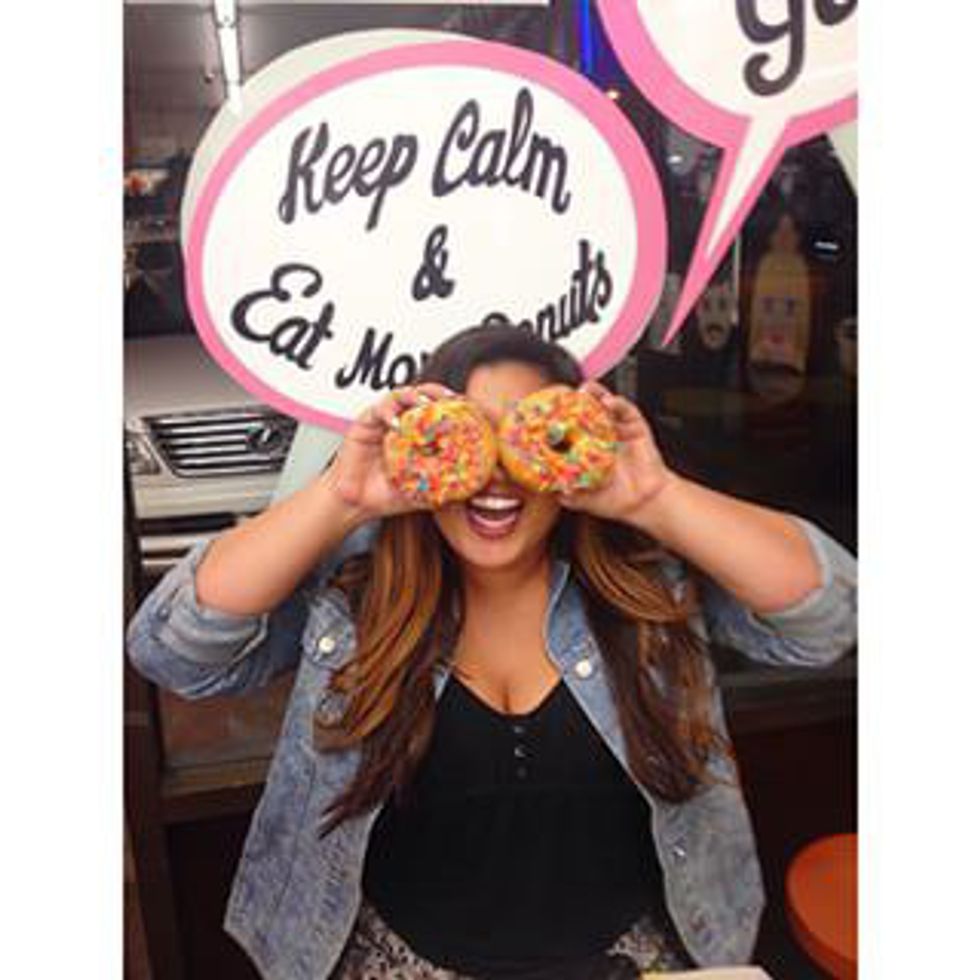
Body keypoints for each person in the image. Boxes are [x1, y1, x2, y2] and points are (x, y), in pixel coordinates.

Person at [127, 324, 857, 979]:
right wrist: (342, 498)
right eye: (471, 437)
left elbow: (831, 619)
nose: (496, 474)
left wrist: (654, 497)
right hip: (394, 961)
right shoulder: (355, 594)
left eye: (528, 440)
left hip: (628, 961)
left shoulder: (647, 584)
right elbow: (173, 651)